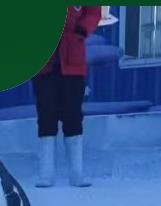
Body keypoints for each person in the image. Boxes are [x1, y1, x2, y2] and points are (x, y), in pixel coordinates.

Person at [33, 6, 102, 188]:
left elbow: (93, 11)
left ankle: (76, 174)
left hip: (73, 60)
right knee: (46, 116)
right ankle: (46, 174)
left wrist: (82, 28)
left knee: (73, 116)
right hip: (43, 65)